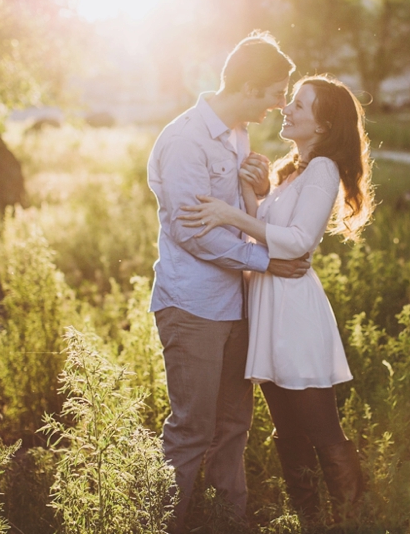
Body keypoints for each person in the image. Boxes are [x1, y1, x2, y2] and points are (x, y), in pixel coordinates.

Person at [180, 75, 375, 523]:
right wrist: (255, 193)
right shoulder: (297, 170)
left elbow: (298, 240)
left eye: (300, 106)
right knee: (288, 432)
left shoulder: (324, 168)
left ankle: (356, 520)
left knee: (323, 429)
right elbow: (267, 233)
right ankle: (312, 520)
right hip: (268, 305)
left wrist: (228, 213)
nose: (287, 108)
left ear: (324, 124)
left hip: (294, 312)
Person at [147, 31, 310, 531]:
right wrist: (266, 262)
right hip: (192, 307)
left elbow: (232, 215)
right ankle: (161, 524)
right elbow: (192, 235)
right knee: (191, 430)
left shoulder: (237, 133)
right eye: (275, 93)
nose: (279, 105)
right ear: (247, 85)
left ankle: (227, 523)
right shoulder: (184, 141)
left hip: (235, 305)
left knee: (235, 426)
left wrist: (256, 190)